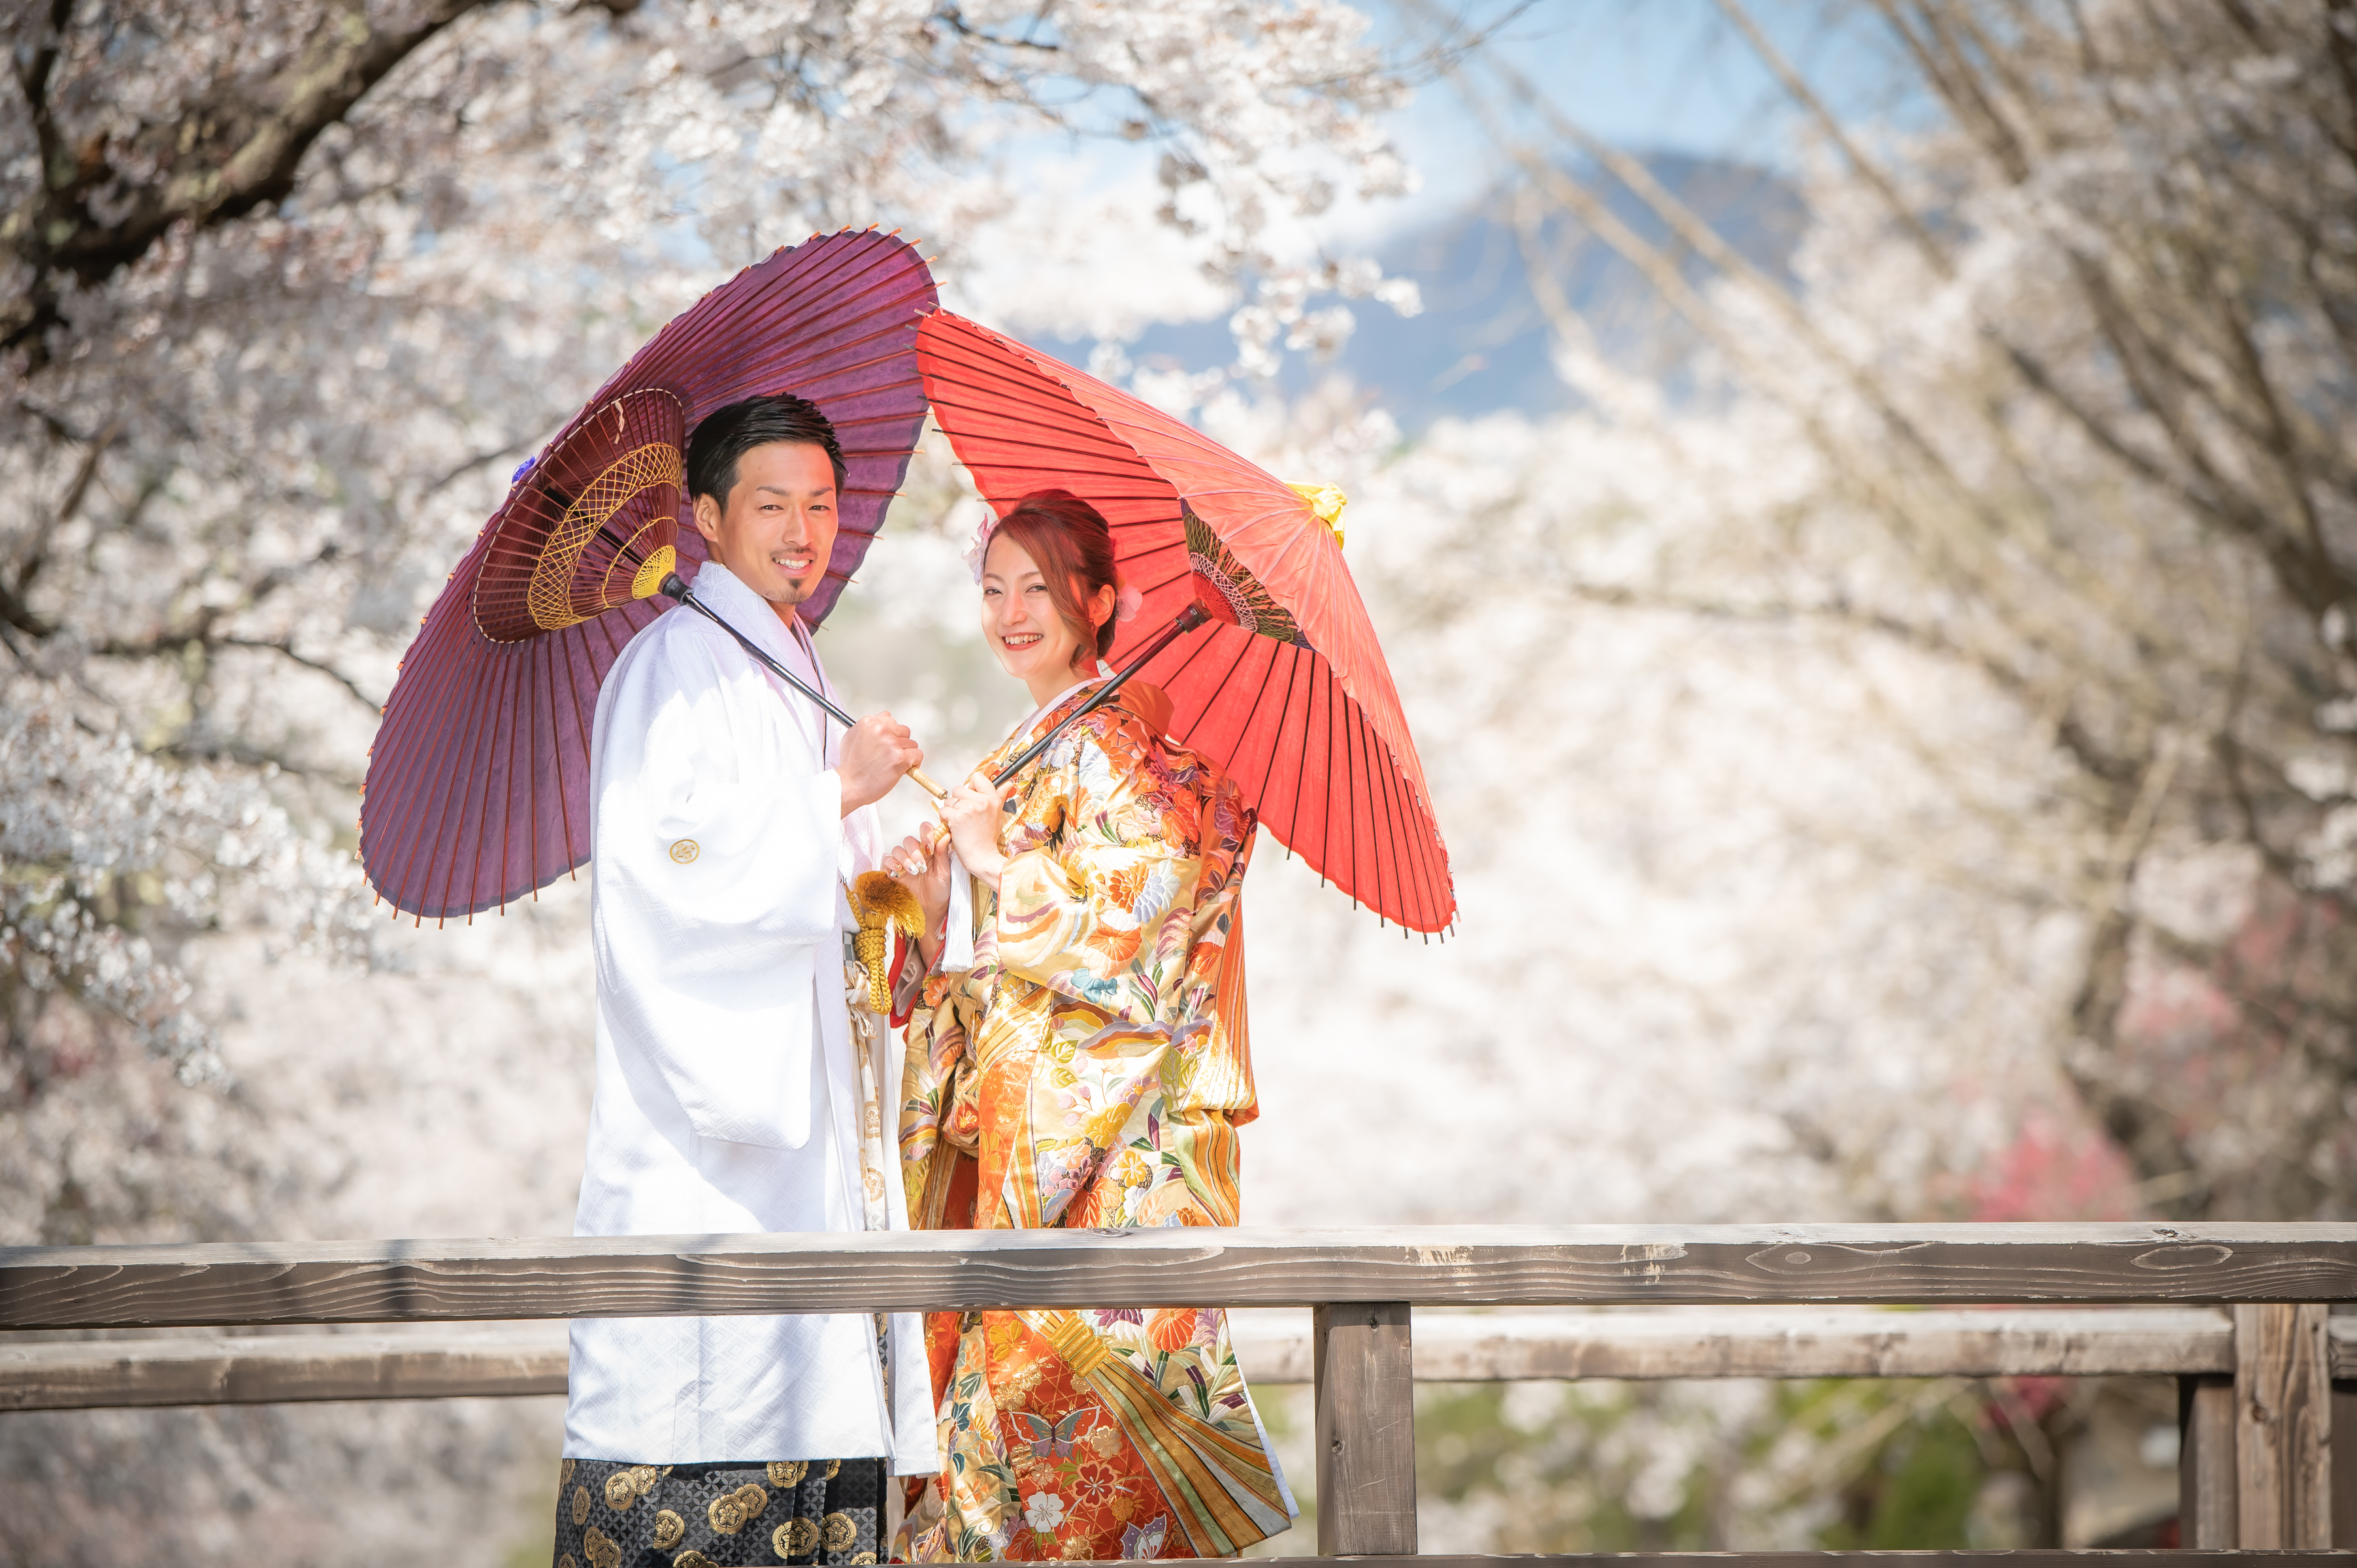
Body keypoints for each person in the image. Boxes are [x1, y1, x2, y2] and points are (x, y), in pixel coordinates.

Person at [555, 394, 939, 1568]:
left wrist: (901, 880)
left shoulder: (775, 664)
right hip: (711, 1162)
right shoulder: (676, 666)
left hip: (810, 1157)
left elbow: (814, 892)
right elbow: (669, 873)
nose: (802, 530)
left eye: (821, 505)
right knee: (714, 1426)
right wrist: (835, 797)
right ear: (708, 517)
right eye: (771, 504)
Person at [880, 490, 1294, 1561]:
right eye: (994, 588)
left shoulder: (1122, 747)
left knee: (1054, 1455)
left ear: (1100, 602)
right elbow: (1002, 984)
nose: (1014, 612)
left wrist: (990, 867)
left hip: (1104, 1162)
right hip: (1021, 1149)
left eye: (1044, 589)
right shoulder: (1039, 744)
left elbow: (1133, 948)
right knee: (999, 1458)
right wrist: (930, 924)